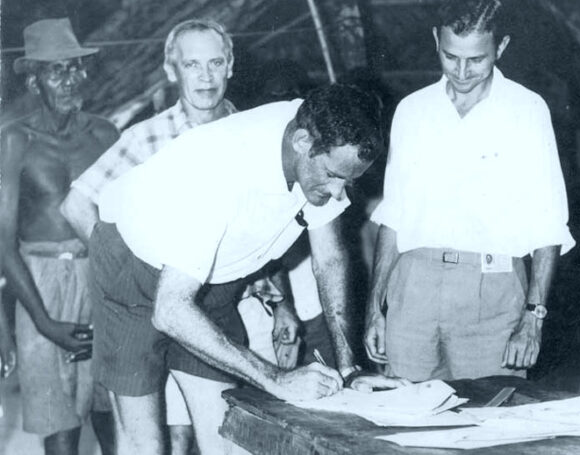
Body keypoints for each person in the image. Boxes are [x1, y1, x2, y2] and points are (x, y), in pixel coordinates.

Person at [89, 83, 407, 454]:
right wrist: (277, 379)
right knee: (145, 443)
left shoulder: (320, 128)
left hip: (214, 276)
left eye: (348, 182)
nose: (339, 194)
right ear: (302, 142)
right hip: (135, 267)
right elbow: (171, 310)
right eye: (334, 177)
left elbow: (330, 259)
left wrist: (349, 370)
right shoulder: (221, 171)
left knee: (227, 435)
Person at [60, 18, 247, 455]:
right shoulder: (147, 137)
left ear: (230, 65)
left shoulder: (248, 131)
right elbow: (76, 205)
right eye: (192, 65)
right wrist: (125, 271)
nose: (204, 76)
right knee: (147, 446)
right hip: (140, 305)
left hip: (210, 303)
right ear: (171, 71)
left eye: (215, 62)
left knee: (222, 439)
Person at [364, 0, 574, 382]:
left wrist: (533, 318)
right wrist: (374, 308)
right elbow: (393, 217)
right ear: (435, 40)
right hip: (413, 291)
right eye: (450, 57)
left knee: (490, 429)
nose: (461, 72)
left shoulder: (528, 111)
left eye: (476, 60)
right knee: (402, 429)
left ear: (501, 47)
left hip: (493, 295)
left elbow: (549, 227)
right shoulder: (413, 110)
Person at [0, 18, 118, 455]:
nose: (71, 81)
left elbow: (123, 222)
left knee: (116, 416)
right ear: (34, 80)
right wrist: (44, 323)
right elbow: (2, 242)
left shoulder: (105, 134)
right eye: (57, 72)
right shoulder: (14, 141)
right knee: (62, 431)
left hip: (102, 279)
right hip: (40, 287)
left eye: (75, 69)